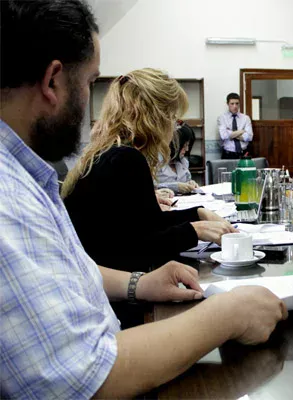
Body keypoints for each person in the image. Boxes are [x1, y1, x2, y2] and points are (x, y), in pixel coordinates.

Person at [0, 1, 286, 398]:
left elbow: (65, 266)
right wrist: (227, 313)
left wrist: (139, 284)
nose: (90, 103)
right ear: (52, 81)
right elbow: (79, 378)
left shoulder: (29, 177)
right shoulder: (9, 195)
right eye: (89, 82)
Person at [62, 68, 238, 272]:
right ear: (155, 117)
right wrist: (195, 230)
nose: (173, 129)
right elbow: (141, 247)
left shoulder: (109, 152)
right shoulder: (126, 159)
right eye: (173, 118)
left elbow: (148, 224)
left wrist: (199, 214)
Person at [156, 122, 198, 194]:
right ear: (173, 145)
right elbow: (150, 188)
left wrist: (191, 183)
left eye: (188, 145)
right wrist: (176, 187)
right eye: (184, 146)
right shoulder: (155, 161)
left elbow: (187, 181)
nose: (187, 149)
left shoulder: (183, 162)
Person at [217, 92, 253, 159]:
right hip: (228, 154)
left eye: (237, 103)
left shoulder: (246, 118)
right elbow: (224, 136)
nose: (235, 106)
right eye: (232, 104)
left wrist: (231, 134)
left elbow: (249, 137)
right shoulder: (222, 118)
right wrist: (242, 131)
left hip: (244, 153)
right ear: (227, 104)